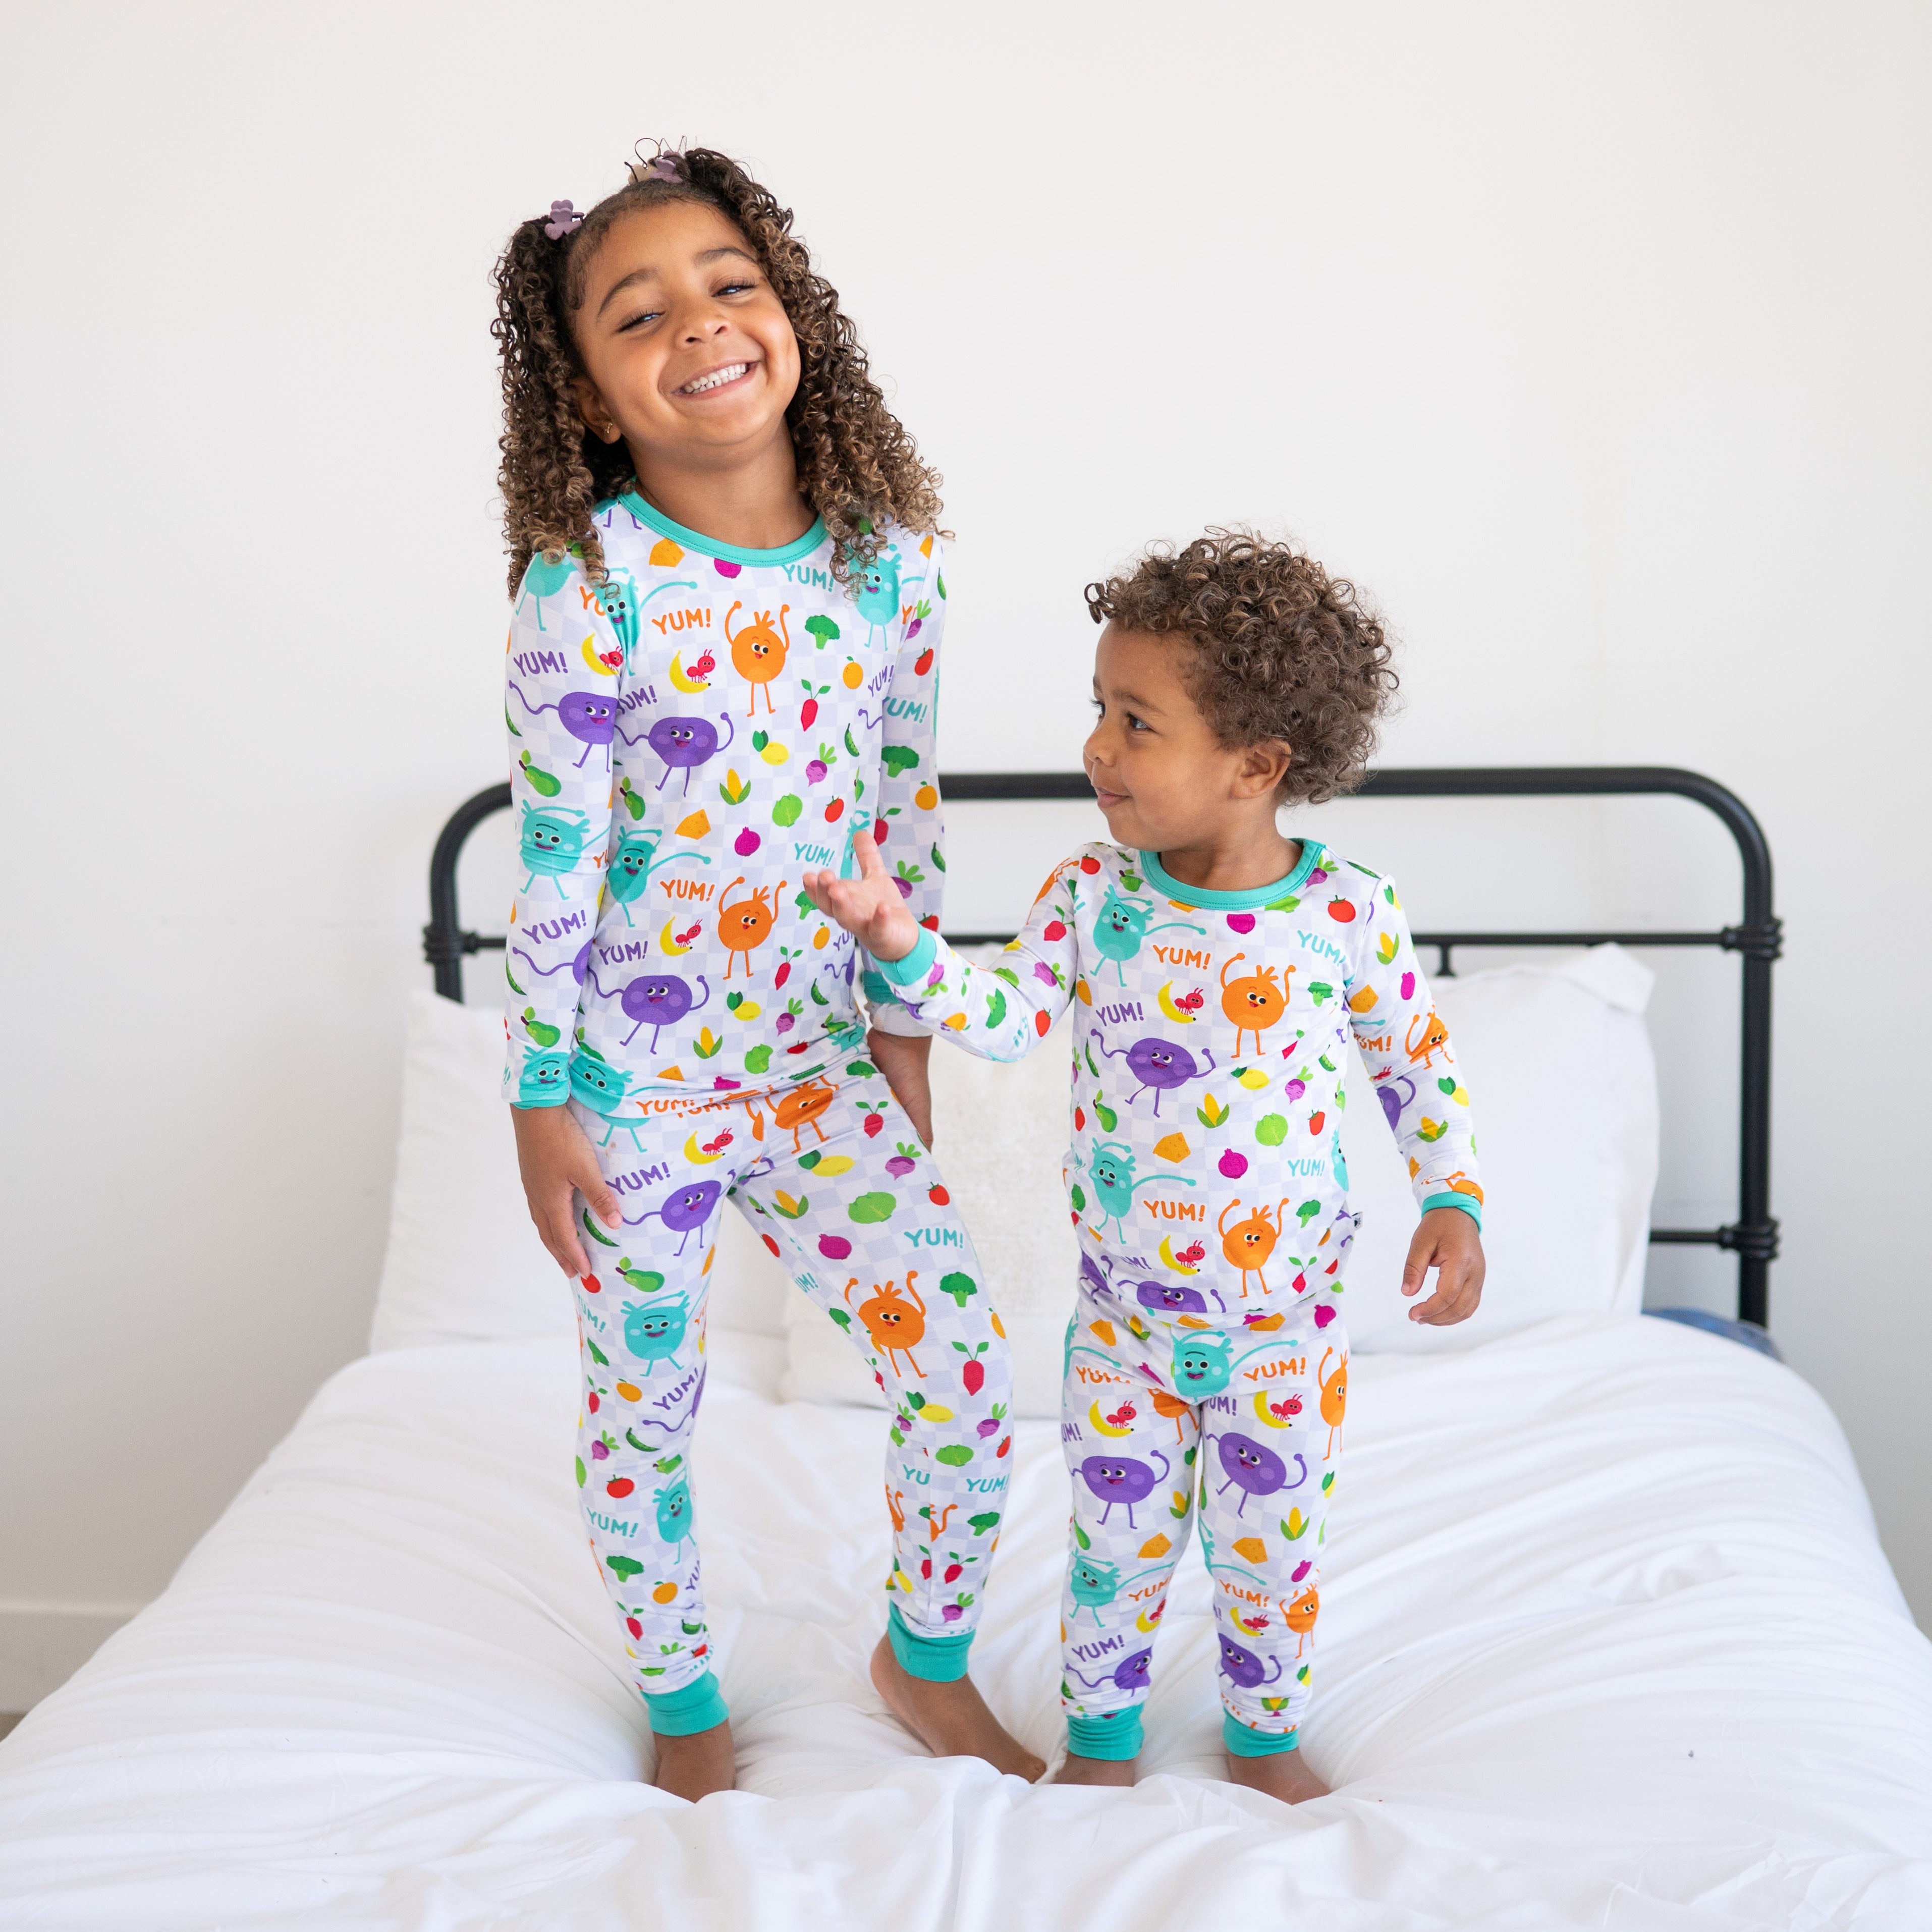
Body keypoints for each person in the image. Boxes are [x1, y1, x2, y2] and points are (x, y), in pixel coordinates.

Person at [494, 144, 1038, 1800]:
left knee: (961, 1370)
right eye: (637, 312)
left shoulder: (892, 567)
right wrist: (538, 1092)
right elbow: (556, 855)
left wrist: (902, 1034)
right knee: (642, 1414)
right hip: (631, 1087)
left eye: (733, 283)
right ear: (588, 397)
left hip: (813, 1070)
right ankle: (683, 1712)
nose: (702, 325)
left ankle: (921, 1660)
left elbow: (901, 809)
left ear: (789, 313)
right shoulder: (581, 586)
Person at [804, 530, 1486, 1803]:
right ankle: (1102, 1746)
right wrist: (903, 945)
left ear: (1255, 765)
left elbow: (1414, 1061)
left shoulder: (1348, 912)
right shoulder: (1088, 899)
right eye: (1099, 711)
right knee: (1111, 1548)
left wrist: (1451, 1195)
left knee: (1268, 1553)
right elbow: (1002, 1016)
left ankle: (1263, 1735)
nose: (1096, 750)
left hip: (1285, 1328)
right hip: (1125, 1323)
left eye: (1136, 721)